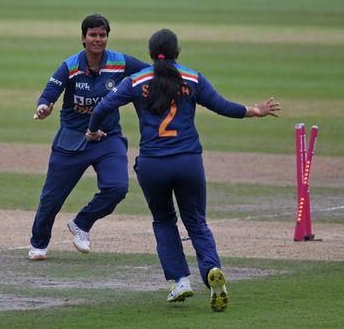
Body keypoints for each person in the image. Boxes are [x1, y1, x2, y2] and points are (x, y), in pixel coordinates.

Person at [85, 28, 280, 311]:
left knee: (164, 221)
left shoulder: (136, 80)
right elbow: (222, 106)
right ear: (178, 52)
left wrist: (92, 131)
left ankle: (180, 282)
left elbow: (103, 107)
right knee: (197, 222)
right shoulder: (192, 78)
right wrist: (254, 110)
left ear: (151, 54)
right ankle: (213, 272)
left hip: (153, 165)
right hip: (188, 162)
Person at [28, 14, 149, 261]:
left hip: (108, 138)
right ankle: (39, 244)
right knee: (51, 198)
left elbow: (149, 72)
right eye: (93, 35)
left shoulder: (120, 61)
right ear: (83, 38)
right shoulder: (70, 66)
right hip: (72, 140)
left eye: (102, 35)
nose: (98, 39)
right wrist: (44, 107)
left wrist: (169, 77)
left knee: (117, 187)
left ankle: (81, 223)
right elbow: (50, 92)